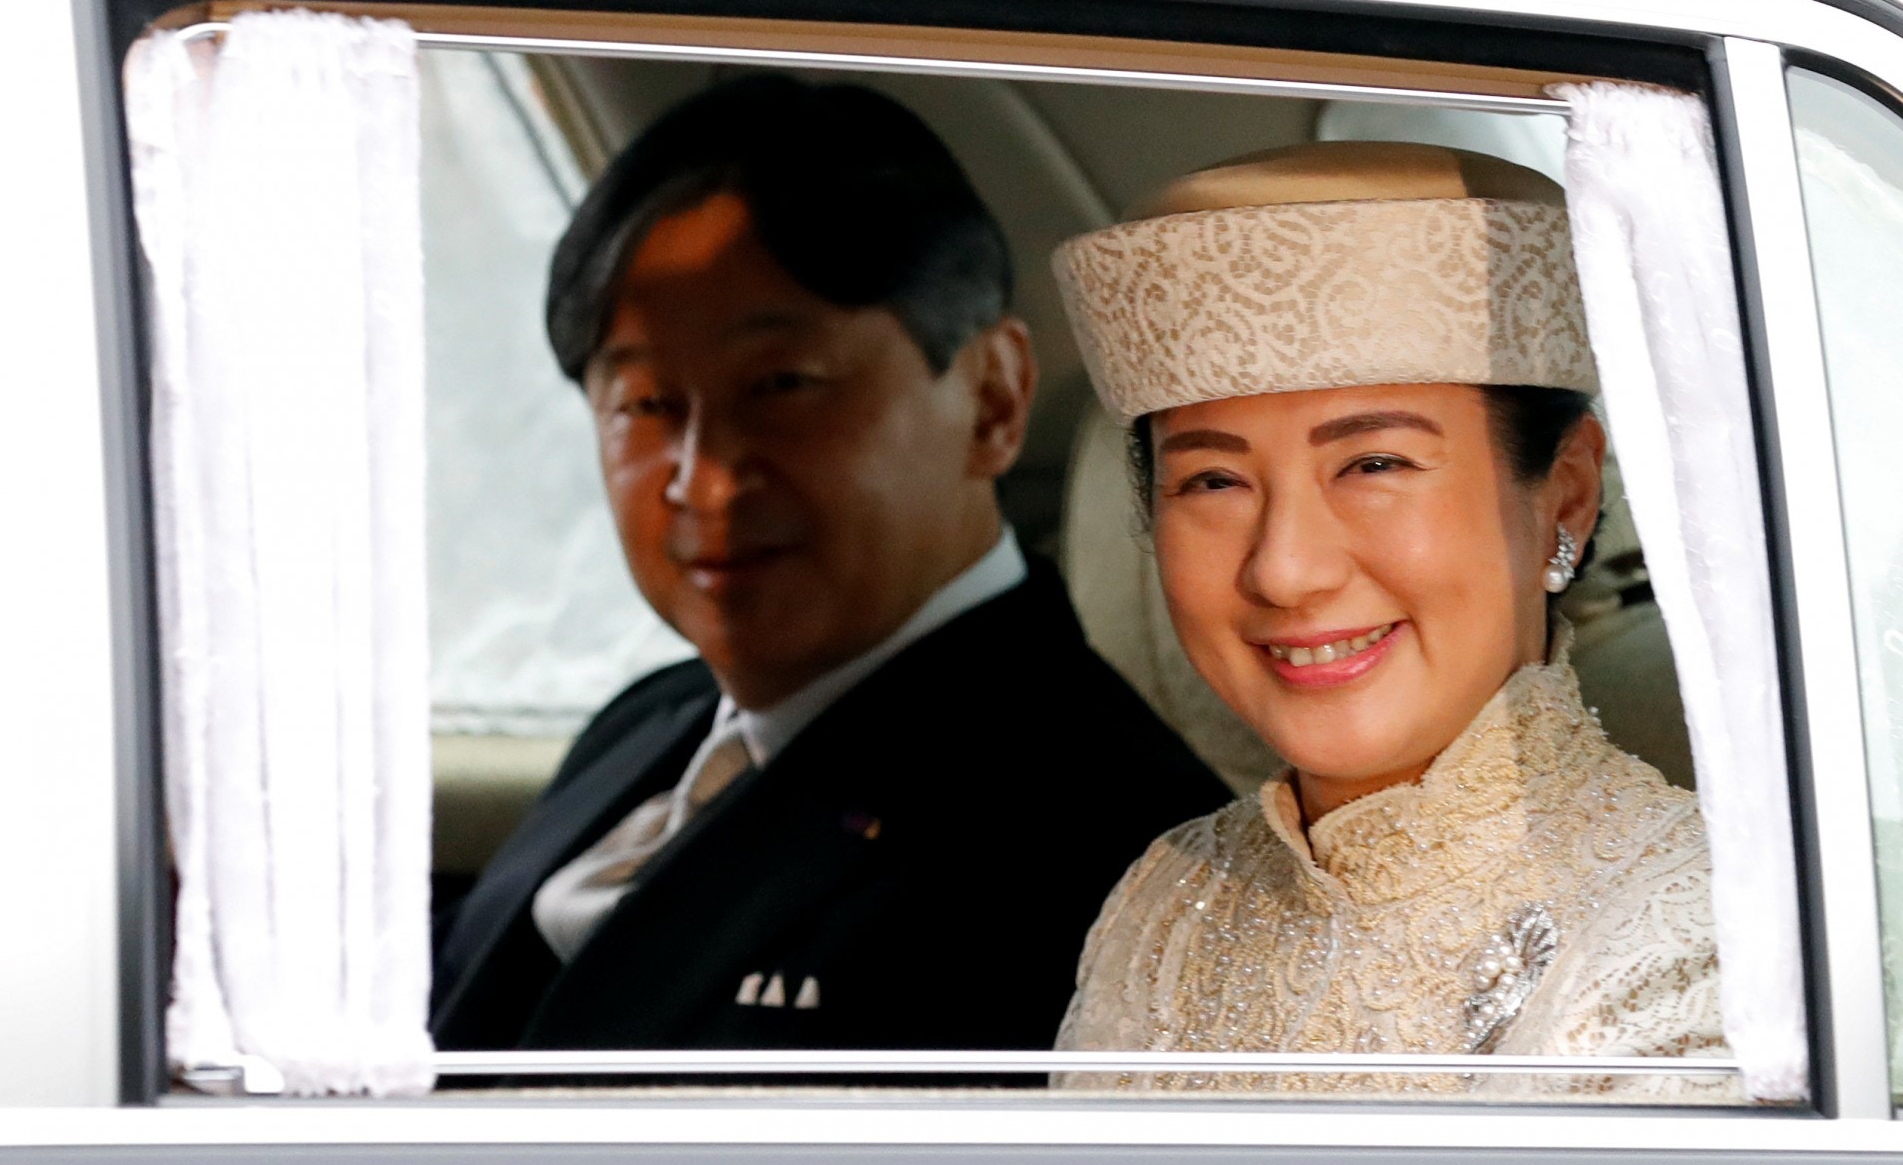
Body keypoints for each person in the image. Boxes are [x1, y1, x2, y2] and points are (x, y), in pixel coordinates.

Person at [429, 75, 1229, 1060]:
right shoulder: (647, 723)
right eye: (645, 405)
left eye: (782, 385)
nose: (703, 482)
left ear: (993, 399)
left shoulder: (1112, 857)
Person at [1050, 141, 1733, 1101]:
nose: (1285, 569)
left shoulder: (1700, 943)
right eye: (1214, 480)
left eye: (1374, 465)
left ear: (1566, 495)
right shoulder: (1164, 906)